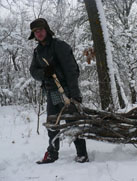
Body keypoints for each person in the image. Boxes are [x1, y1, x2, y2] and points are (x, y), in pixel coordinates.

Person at [29, 18, 89, 164]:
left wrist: (74, 94)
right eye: (36, 31)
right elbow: (33, 71)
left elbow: (72, 71)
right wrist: (44, 73)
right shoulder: (37, 52)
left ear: (47, 30)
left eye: (41, 30)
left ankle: (82, 154)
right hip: (51, 92)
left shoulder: (60, 46)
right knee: (52, 124)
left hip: (66, 91)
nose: (39, 33)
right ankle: (52, 154)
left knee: (72, 122)